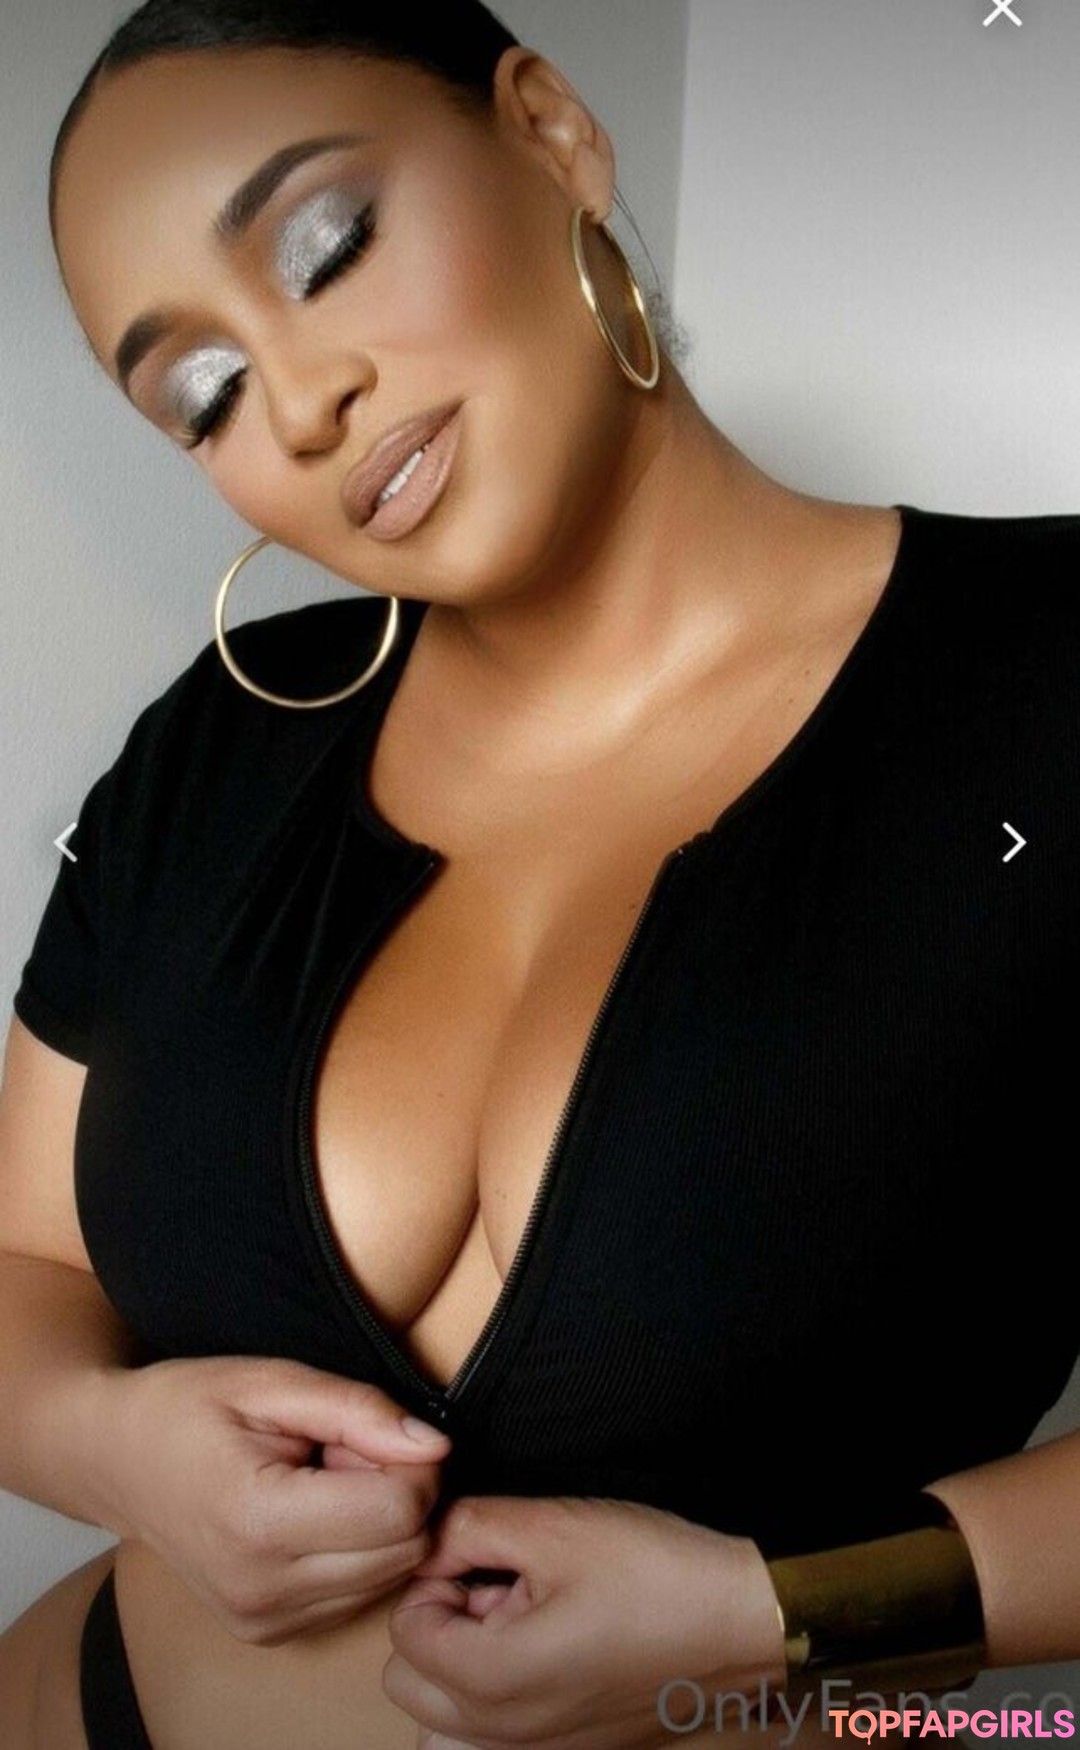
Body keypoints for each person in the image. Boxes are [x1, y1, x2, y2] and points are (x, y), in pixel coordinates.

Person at [1, 2, 1078, 1747]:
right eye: (200, 393)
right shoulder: (212, 748)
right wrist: (108, 1443)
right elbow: (26, 1263)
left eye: (326, 246)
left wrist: (769, 1614)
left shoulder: (1050, 684)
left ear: (552, 131)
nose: (299, 403)